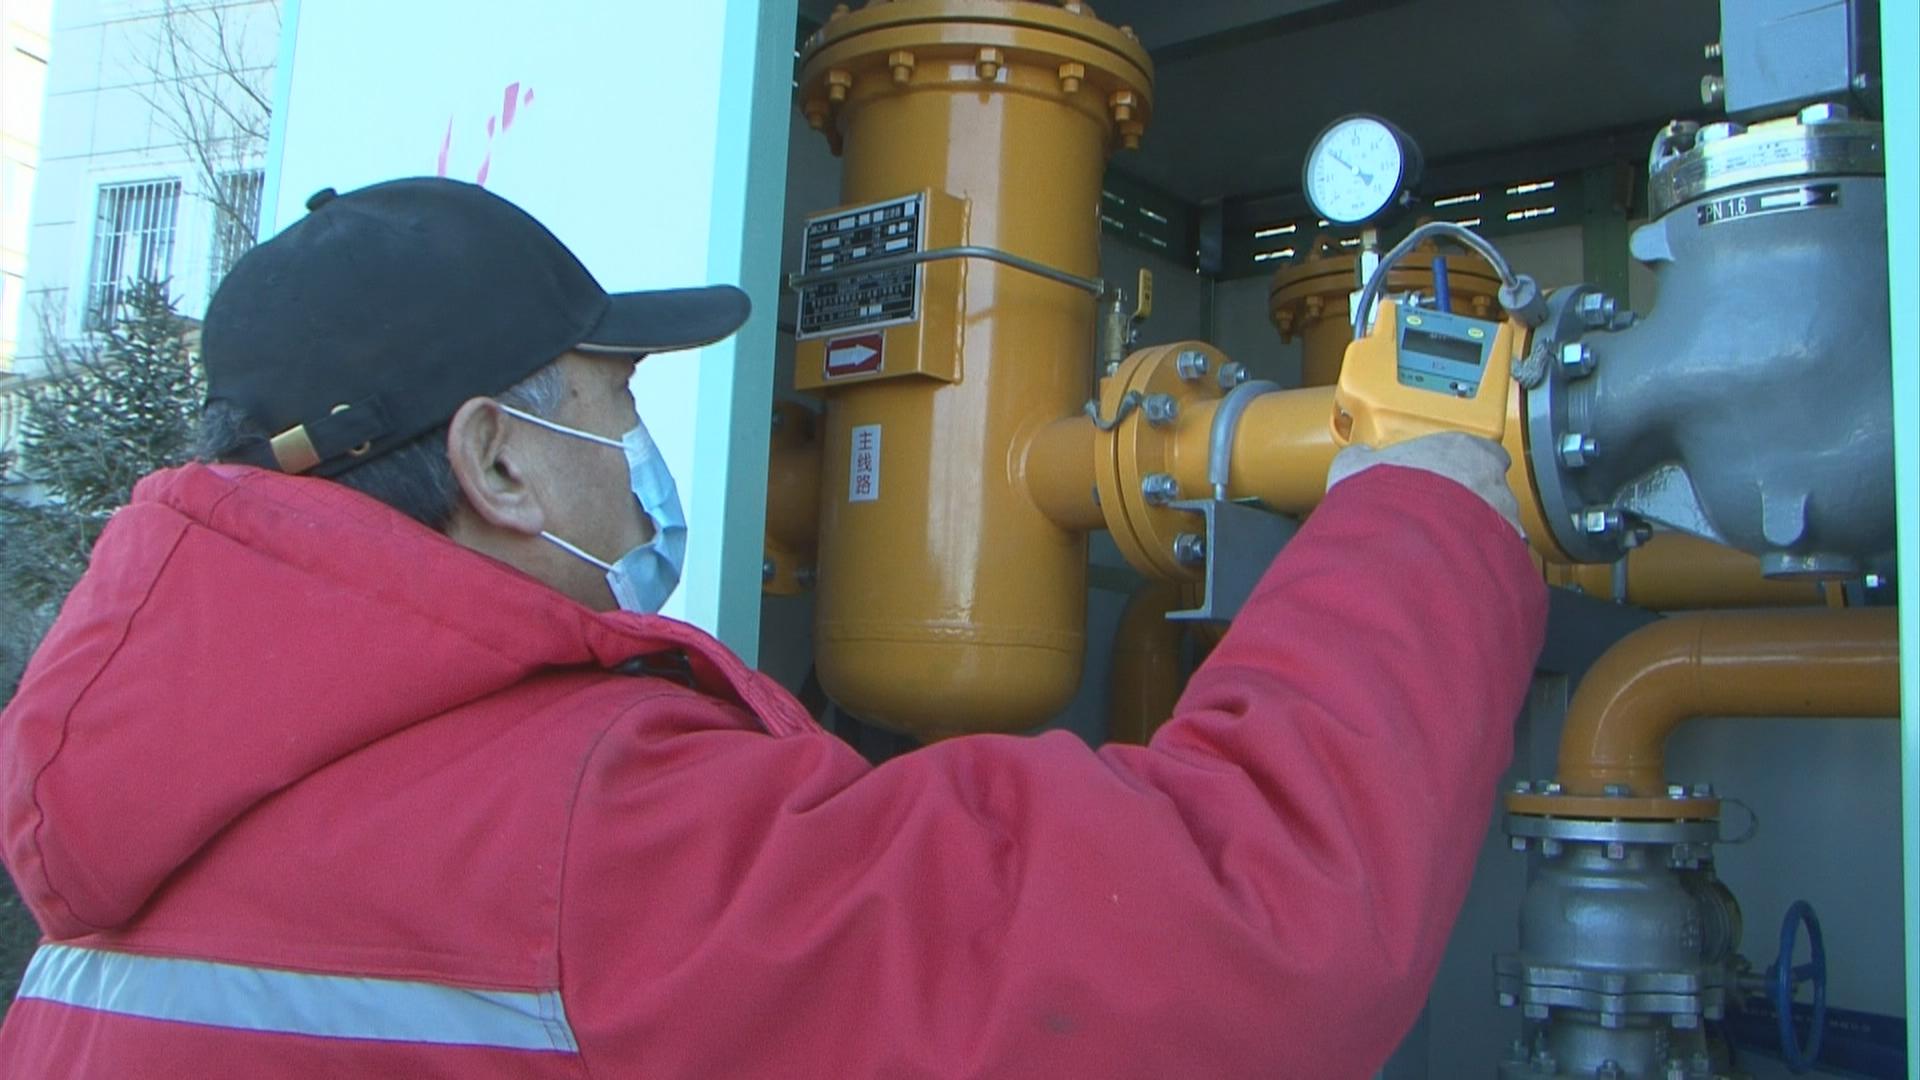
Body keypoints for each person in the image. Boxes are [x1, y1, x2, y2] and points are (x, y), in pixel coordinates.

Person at [0, 177, 1545, 1078]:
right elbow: (1243, 930)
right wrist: (1422, 513)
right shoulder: (589, 829)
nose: (640, 452)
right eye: (615, 399)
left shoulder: (116, 854)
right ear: (496, 461)